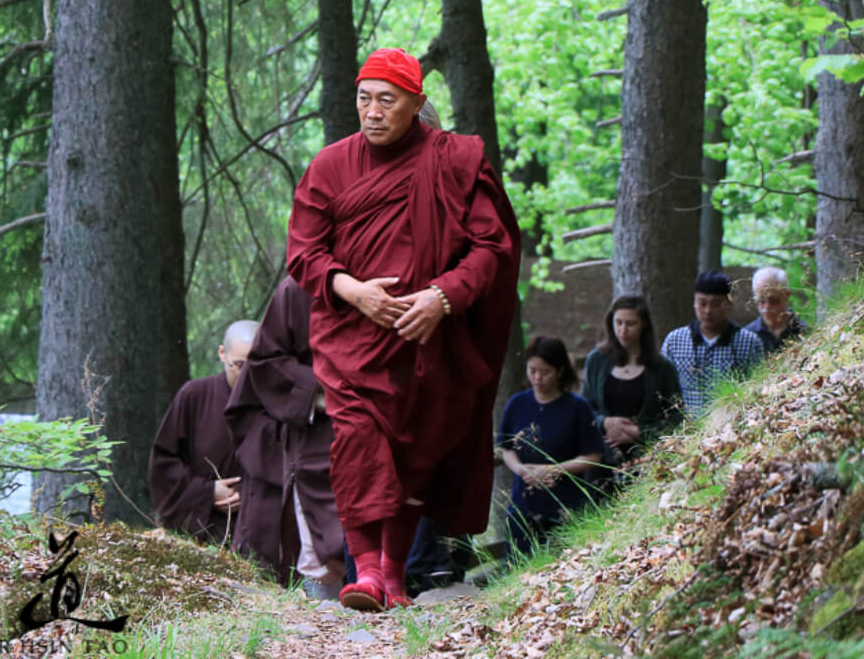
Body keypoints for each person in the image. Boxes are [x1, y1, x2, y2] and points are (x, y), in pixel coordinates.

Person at [286, 47, 522, 611]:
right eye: (363, 99)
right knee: (358, 441)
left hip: (428, 335)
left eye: (386, 101)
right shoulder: (330, 166)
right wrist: (353, 290)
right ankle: (366, 571)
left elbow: (492, 246)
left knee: (416, 450)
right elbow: (303, 253)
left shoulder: (456, 159)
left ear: (417, 103)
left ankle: (392, 575)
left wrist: (444, 297)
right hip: (352, 338)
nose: (371, 112)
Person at [225, 277, 344, 599]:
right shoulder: (296, 292)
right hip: (304, 458)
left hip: (360, 444)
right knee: (321, 562)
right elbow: (246, 417)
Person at [148, 321, 256, 545]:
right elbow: (163, 464)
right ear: (222, 354)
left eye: (255, 366)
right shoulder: (194, 395)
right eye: (239, 365)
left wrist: (247, 493)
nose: (247, 375)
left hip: (257, 532)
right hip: (201, 533)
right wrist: (208, 492)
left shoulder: (275, 404)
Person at [499, 337, 605, 557]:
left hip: (565, 502)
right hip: (524, 502)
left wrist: (552, 470)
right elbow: (506, 447)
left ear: (560, 371)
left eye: (545, 372)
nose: (537, 378)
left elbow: (593, 455)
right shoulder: (517, 404)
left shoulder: (578, 408)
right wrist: (521, 469)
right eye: (532, 370)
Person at [581, 294, 684, 468]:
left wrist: (639, 432)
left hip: (647, 460)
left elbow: (676, 418)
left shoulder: (662, 368)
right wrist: (604, 422)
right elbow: (584, 408)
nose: (623, 330)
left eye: (631, 324)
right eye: (618, 322)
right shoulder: (596, 360)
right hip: (600, 459)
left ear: (644, 324)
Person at [660, 271, 766, 416]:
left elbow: (757, 389)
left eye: (716, 304)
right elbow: (662, 388)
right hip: (684, 428)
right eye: (702, 303)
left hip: (732, 427)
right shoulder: (675, 340)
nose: (708, 311)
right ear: (694, 302)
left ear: (729, 303)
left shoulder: (749, 342)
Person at [744, 266, 809, 354]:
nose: (767, 308)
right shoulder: (746, 338)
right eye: (761, 301)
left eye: (773, 301)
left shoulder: (803, 331)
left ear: (786, 295)